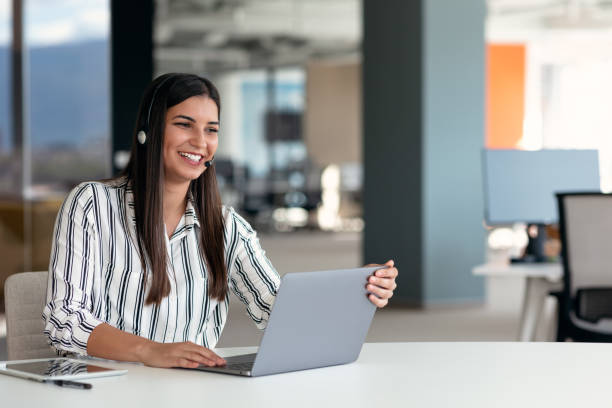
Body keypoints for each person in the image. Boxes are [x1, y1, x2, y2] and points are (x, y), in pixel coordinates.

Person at [42, 73, 399, 369]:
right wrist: (150, 351)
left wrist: (355, 290)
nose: (200, 142)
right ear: (148, 130)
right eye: (185, 125)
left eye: (211, 130)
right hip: (103, 391)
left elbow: (277, 310)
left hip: (189, 391)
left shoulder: (227, 227)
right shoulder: (91, 204)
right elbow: (64, 320)